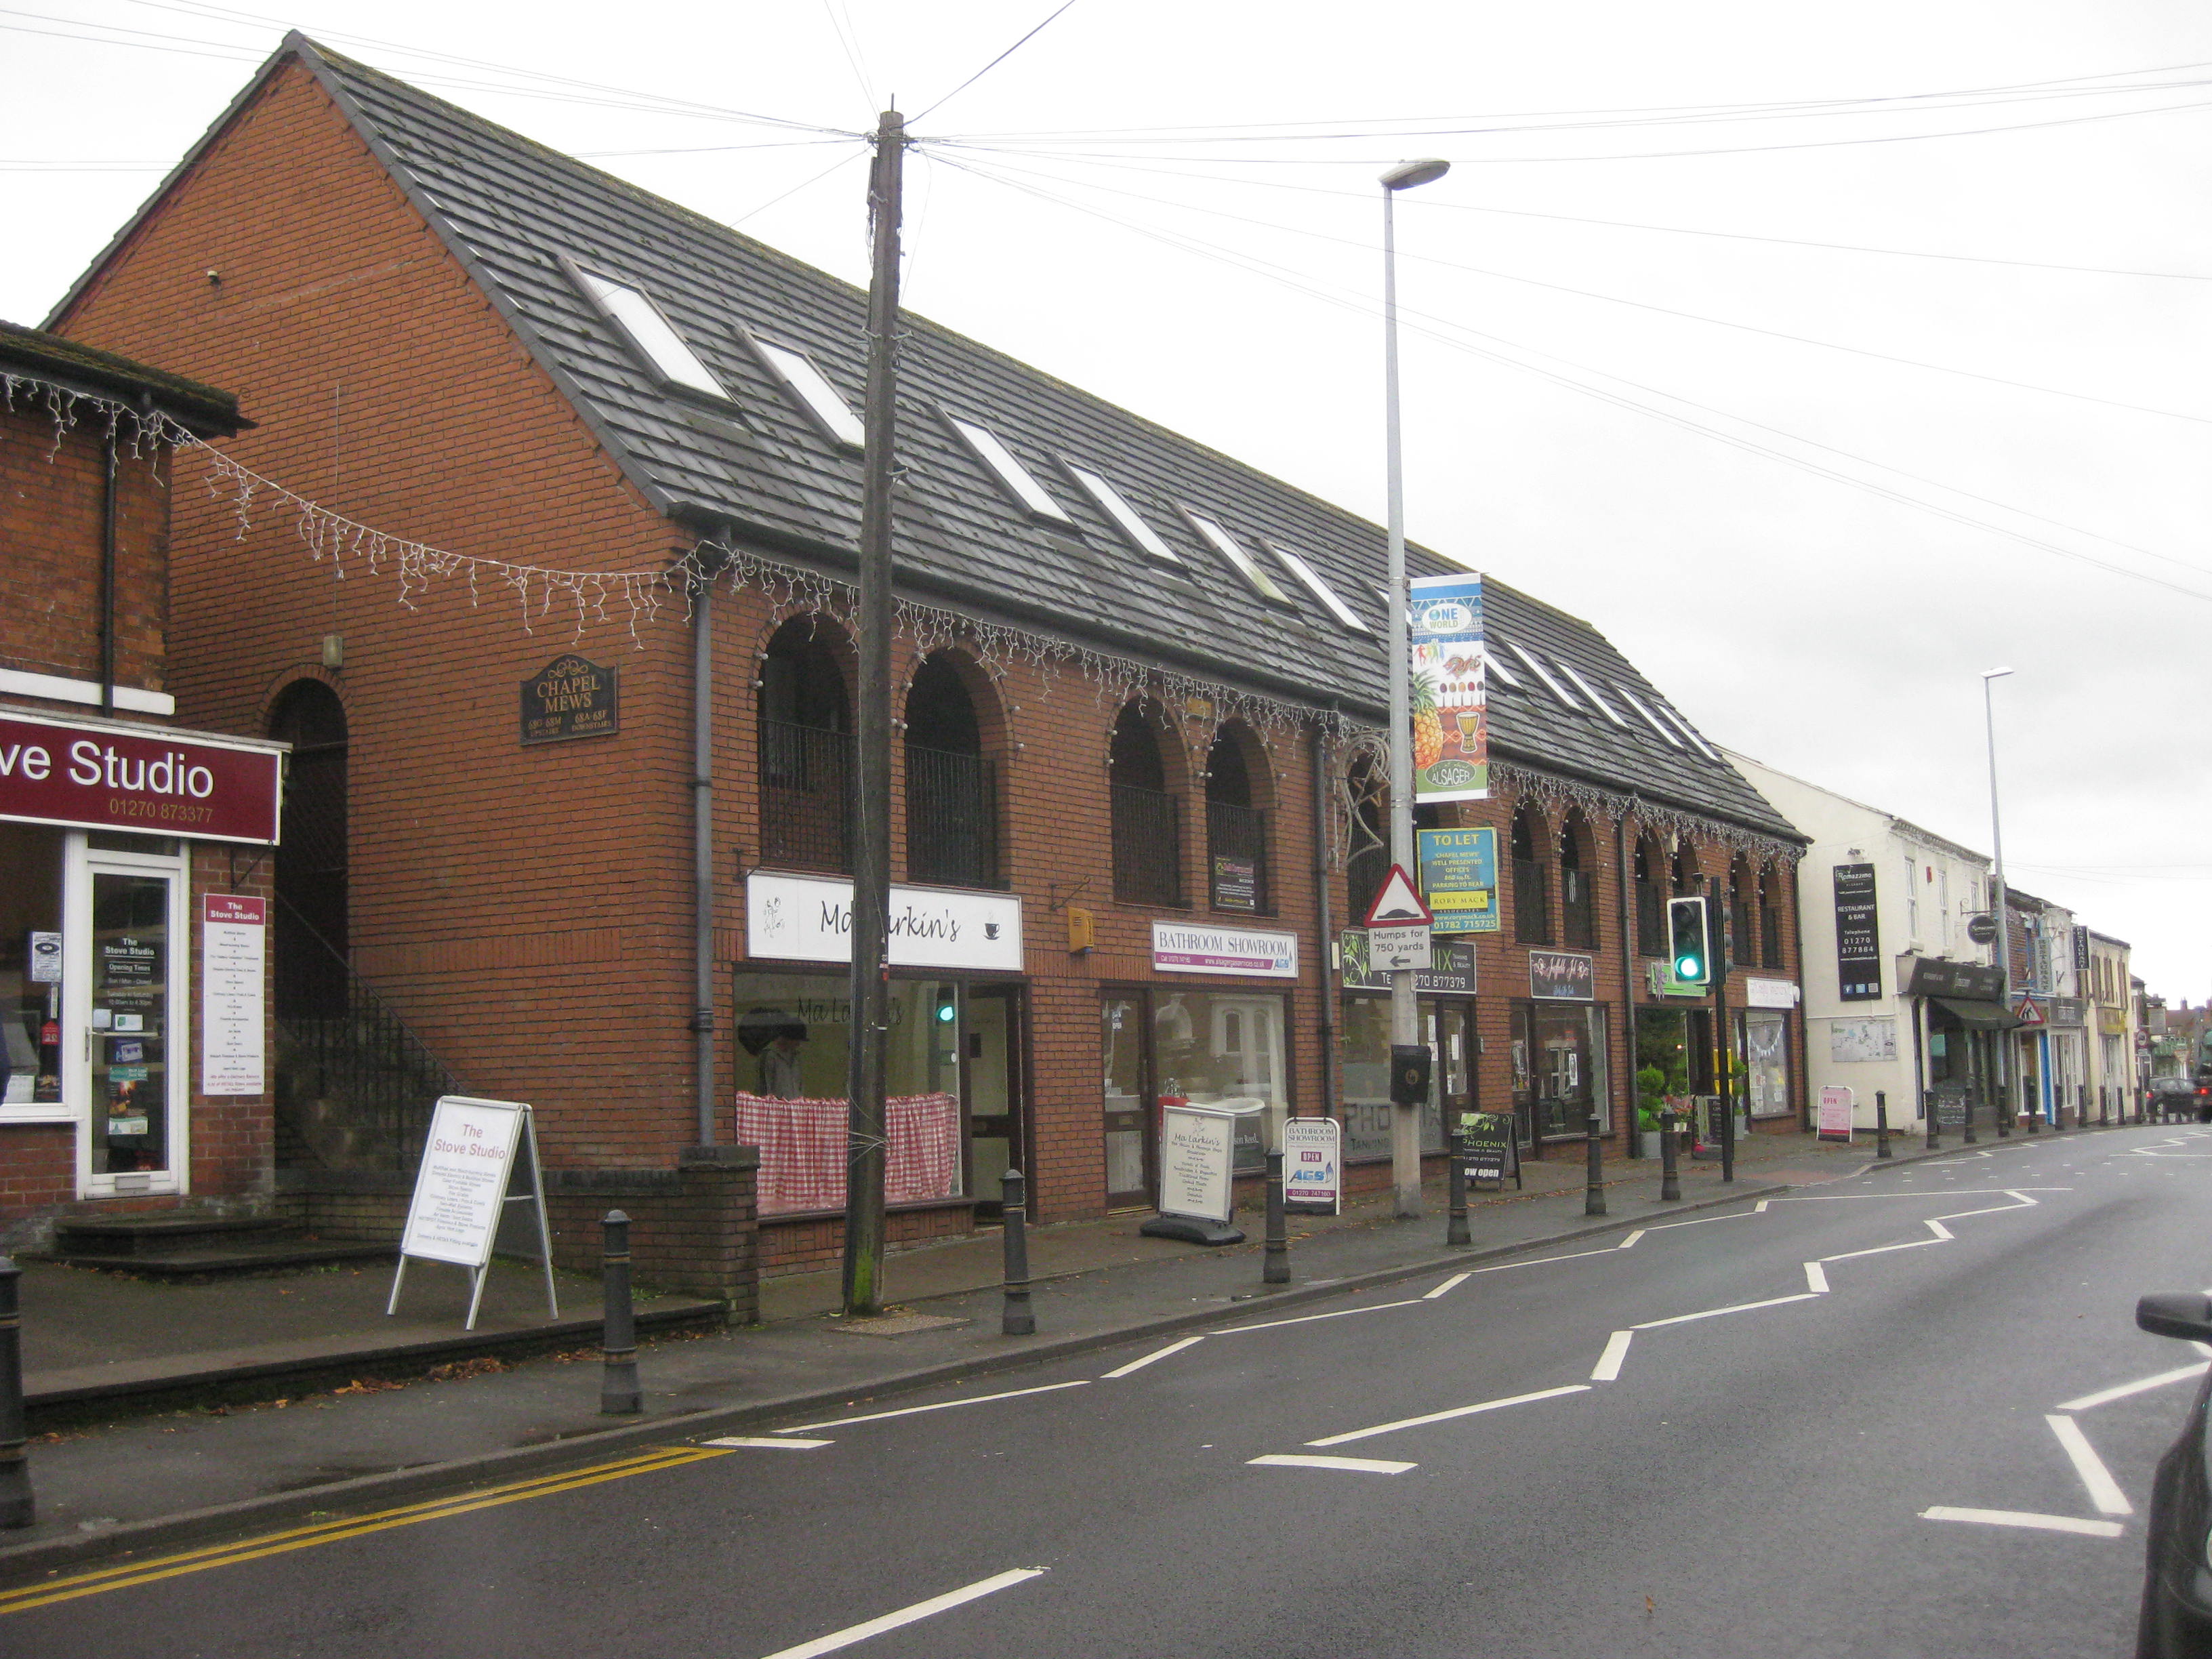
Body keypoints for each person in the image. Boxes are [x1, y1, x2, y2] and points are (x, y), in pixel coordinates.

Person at [760, 1020, 808, 1099]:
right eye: (797, 1040)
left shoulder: (796, 1057)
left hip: (795, 1106)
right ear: (788, 1038)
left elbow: (800, 1085)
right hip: (777, 1107)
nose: (799, 1044)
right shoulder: (771, 1055)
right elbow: (766, 1087)